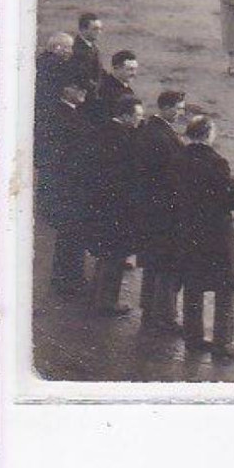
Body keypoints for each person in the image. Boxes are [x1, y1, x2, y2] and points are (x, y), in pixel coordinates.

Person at [173, 115, 234, 361]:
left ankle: (193, 338)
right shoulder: (216, 162)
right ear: (208, 134)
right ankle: (223, 342)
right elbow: (229, 197)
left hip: (187, 229)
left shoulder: (179, 158)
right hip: (215, 233)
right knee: (226, 285)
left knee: (193, 285)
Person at [133, 89, 187, 335]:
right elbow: (170, 175)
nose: (181, 113)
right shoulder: (161, 137)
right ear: (165, 108)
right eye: (178, 108)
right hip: (164, 211)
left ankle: (150, 309)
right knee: (167, 265)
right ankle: (163, 316)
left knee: (154, 264)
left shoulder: (153, 130)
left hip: (151, 210)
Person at [86, 94, 144, 317]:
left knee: (107, 255)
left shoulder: (107, 132)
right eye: (137, 116)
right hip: (116, 207)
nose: (140, 120)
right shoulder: (121, 138)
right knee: (115, 255)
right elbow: (123, 175)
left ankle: (99, 296)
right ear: (127, 115)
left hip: (104, 204)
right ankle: (107, 301)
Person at [37, 82, 95, 298]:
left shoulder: (69, 113)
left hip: (69, 184)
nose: (84, 93)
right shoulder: (62, 115)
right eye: (79, 89)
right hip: (69, 185)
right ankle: (67, 280)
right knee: (71, 233)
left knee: (71, 234)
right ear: (67, 90)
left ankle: (70, 277)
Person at [87, 49, 139, 121]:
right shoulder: (105, 89)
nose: (134, 73)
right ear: (116, 68)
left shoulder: (127, 90)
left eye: (135, 69)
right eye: (130, 69)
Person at [70, 12, 104, 96]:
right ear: (83, 29)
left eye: (100, 29)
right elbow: (82, 77)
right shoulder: (76, 49)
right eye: (95, 29)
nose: (99, 32)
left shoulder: (94, 47)